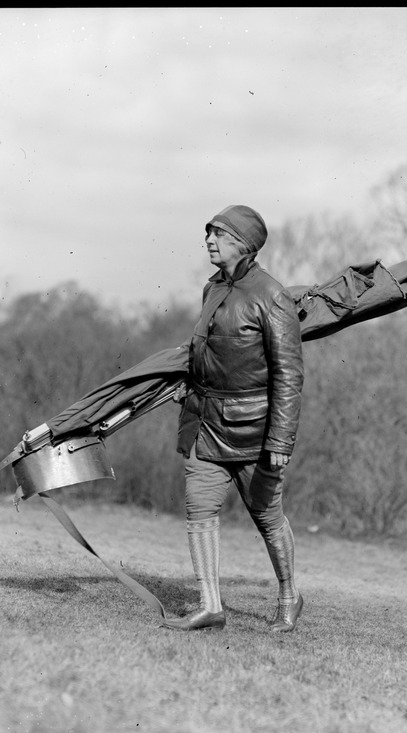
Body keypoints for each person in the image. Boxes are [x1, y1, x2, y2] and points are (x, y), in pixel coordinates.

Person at [163, 204, 304, 633]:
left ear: (243, 244)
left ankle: (289, 596)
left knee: (266, 515)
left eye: (219, 235)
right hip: (205, 425)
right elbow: (208, 352)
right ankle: (210, 606)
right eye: (209, 234)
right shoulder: (212, 289)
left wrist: (280, 442)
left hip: (255, 433)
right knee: (198, 508)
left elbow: (288, 375)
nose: (209, 241)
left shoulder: (272, 295)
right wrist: (190, 382)